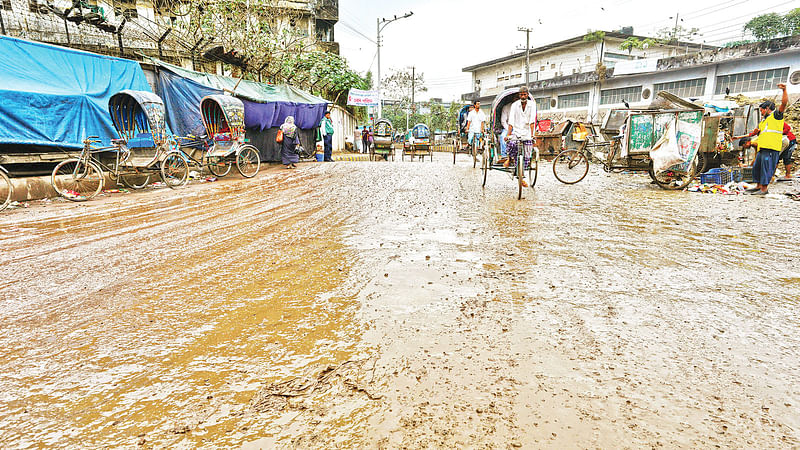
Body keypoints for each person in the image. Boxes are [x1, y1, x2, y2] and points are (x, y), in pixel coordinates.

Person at [732, 83, 788, 194]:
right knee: (757, 168)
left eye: (762, 110)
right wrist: (739, 137)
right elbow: (755, 133)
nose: (761, 112)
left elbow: (784, 103)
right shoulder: (764, 121)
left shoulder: (776, 116)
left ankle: (764, 189)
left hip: (771, 148)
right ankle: (758, 186)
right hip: (763, 148)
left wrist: (784, 90)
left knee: (766, 169)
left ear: (767, 109)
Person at [504, 86, 537, 187]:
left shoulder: (532, 105)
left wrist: (533, 135)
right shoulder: (515, 105)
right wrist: (508, 134)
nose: (523, 96)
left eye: (525, 94)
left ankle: (521, 175)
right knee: (511, 144)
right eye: (521, 95)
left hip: (527, 132)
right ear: (519, 95)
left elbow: (532, 121)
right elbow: (511, 121)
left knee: (527, 155)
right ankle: (510, 159)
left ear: (527, 94)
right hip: (516, 131)